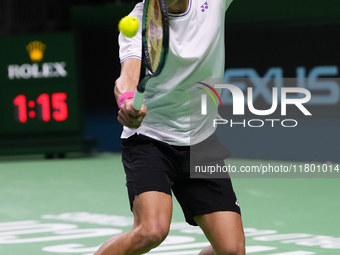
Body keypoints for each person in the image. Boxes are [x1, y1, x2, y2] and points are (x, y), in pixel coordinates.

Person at [95, 0, 245, 254]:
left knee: (231, 250)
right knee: (151, 231)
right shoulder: (140, 21)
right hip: (151, 138)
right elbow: (127, 77)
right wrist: (126, 101)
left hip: (201, 141)